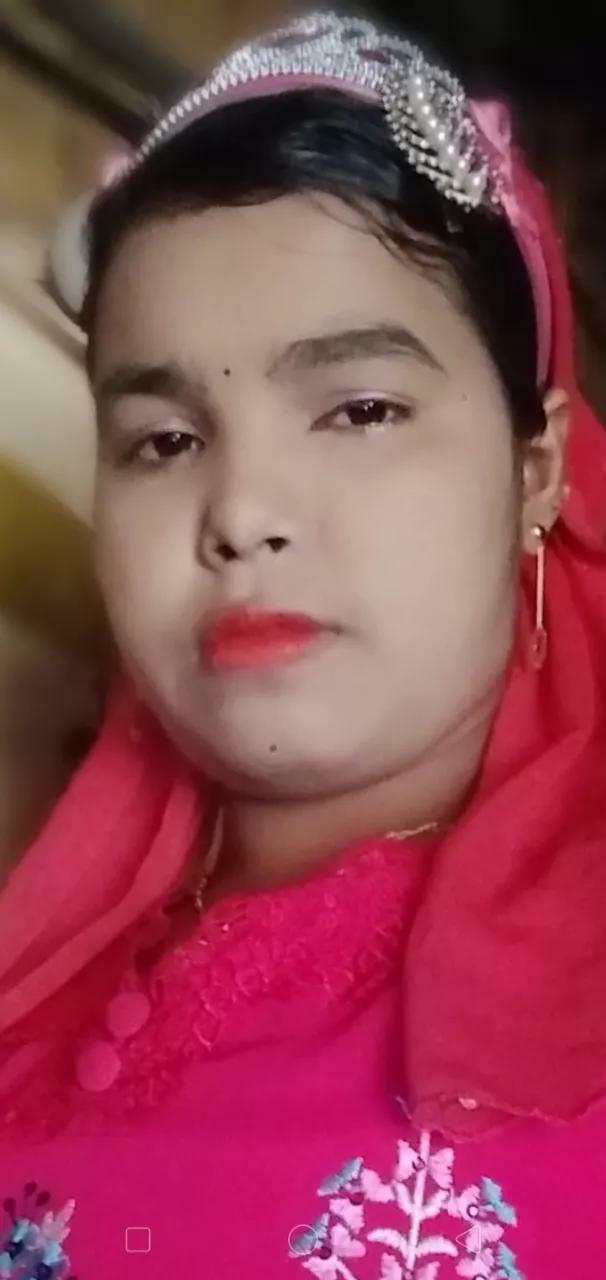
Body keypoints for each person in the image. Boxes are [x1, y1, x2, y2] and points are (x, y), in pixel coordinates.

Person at [1, 9, 606, 1278]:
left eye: (360, 408)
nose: (241, 512)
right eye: (165, 439)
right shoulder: (41, 965)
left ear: (536, 466)